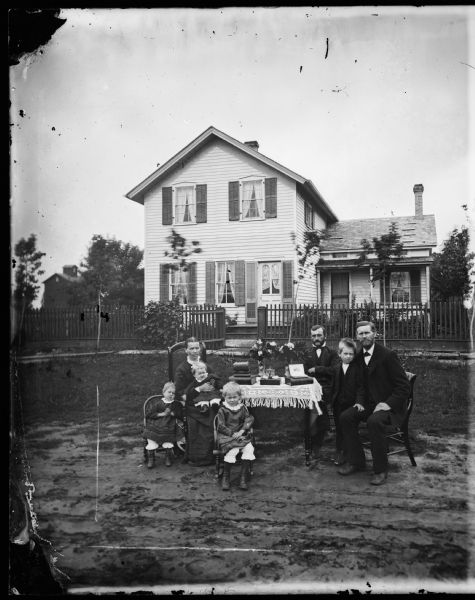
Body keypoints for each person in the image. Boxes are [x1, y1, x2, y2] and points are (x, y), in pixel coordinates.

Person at [338, 321, 410, 486]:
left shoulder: (387, 355)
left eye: (367, 333)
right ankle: (357, 461)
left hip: (389, 406)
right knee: (346, 417)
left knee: (374, 421)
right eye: (360, 334)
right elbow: (360, 384)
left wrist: (388, 404)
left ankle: (380, 470)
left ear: (375, 333)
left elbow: (403, 387)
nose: (364, 336)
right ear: (357, 337)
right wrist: (359, 402)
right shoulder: (357, 357)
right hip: (368, 404)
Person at [303, 324, 340, 458]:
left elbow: (335, 371)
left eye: (319, 335)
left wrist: (318, 369)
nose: (316, 338)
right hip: (310, 388)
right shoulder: (306, 353)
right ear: (311, 337)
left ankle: (316, 444)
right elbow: (303, 371)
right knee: (309, 408)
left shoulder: (332, 353)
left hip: (328, 389)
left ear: (325, 336)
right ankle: (315, 440)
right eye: (314, 336)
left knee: (317, 406)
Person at [330, 337, 366, 466]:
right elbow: (334, 386)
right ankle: (340, 451)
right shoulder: (336, 368)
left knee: (349, 429)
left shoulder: (357, 368)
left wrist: (360, 401)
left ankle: (349, 452)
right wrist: (331, 400)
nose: (348, 356)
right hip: (338, 404)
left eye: (351, 354)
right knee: (339, 429)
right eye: (345, 353)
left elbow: (361, 387)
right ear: (339, 354)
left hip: (351, 404)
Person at [216, 381, 255, 491]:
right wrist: (232, 434)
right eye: (229, 398)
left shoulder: (242, 408)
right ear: (225, 398)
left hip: (241, 435)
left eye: (235, 397)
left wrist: (242, 430)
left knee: (249, 449)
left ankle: (243, 478)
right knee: (232, 451)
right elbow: (220, 425)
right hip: (227, 436)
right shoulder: (222, 410)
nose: (232, 400)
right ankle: (226, 478)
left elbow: (249, 419)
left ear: (239, 397)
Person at [185, 362, 222, 466]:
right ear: (194, 375)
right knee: (195, 427)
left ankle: (211, 455)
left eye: (204, 372)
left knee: (213, 417)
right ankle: (198, 457)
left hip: (211, 404)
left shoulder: (210, 379)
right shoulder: (194, 384)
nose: (202, 375)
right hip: (198, 406)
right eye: (199, 373)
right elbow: (189, 395)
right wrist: (200, 388)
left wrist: (218, 389)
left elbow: (219, 385)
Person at [143, 382, 184, 469]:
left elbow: (181, 415)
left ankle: (168, 456)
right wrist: (161, 414)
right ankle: (151, 458)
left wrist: (173, 413)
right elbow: (149, 414)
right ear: (164, 392)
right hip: (157, 422)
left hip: (169, 424)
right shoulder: (158, 403)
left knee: (168, 439)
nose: (171, 395)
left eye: (173, 393)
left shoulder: (176, 404)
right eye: (169, 392)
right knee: (151, 435)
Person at [174, 337, 212, 402]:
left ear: (200, 349)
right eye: (191, 348)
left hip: (208, 399)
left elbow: (215, 381)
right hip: (190, 401)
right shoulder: (181, 369)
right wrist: (199, 389)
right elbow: (179, 391)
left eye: (197, 348)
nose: (195, 351)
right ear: (186, 350)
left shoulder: (206, 366)